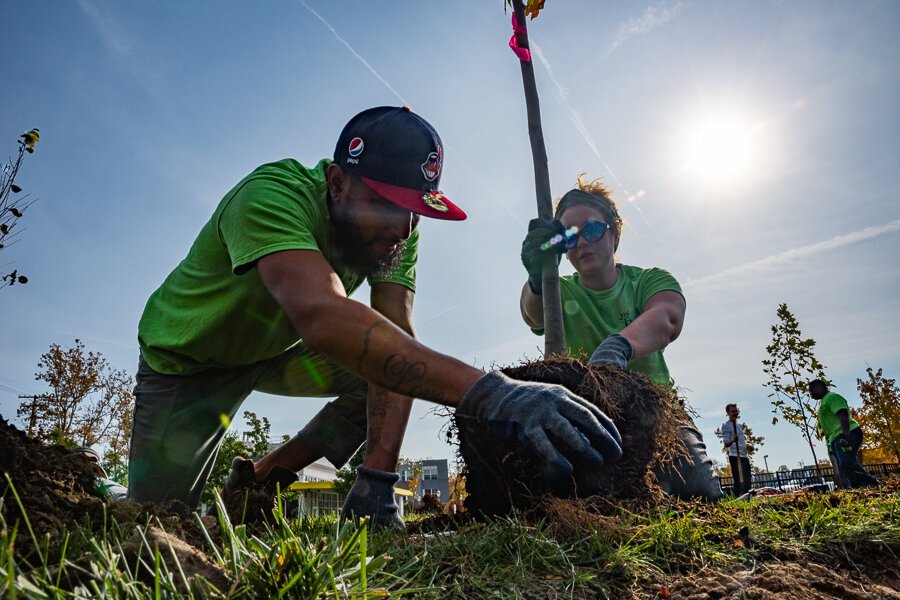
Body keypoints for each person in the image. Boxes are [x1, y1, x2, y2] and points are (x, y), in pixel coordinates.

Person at [129, 106, 623, 528]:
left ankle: (261, 480)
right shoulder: (270, 195)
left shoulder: (398, 234)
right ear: (337, 183)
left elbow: (395, 335)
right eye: (389, 207)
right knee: (159, 521)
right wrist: (491, 392)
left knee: (387, 358)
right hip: (191, 360)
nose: (405, 230)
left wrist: (378, 480)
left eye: (416, 211)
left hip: (279, 352)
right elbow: (323, 315)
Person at [518, 176, 722, 500]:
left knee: (698, 492)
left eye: (593, 230)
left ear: (614, 233)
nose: (582, 242)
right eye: (569, 237)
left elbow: (668, 317)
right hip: (588, 419)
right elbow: (532, 314)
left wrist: (618, 347)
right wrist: (537, 278)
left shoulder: (648, 281)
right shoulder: (559, 292)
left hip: (657, 416)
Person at [809, 379, 879, 488]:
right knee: (845, 467)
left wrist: (845, 435)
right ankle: (859, 488)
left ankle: (874, 484)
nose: (811, 394)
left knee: (848, 465)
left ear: (820, 388)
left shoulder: (832, 398)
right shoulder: (824, 402)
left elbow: (842, 413)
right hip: (837, 438)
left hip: (847, 433)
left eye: (812, 390)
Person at [721, 404, 753, 496]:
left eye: (736, 411)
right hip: (735, 456)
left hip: (744, 456)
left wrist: (748, 446)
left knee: (748, 479)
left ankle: (747, 497)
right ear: (728, 413)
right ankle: (737, 498)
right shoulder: (726, 426)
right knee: (738, 480)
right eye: (733, 411)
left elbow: (741, 443)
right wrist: (732, 440)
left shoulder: (739, 425)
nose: (735, 413)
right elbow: (726, 443)